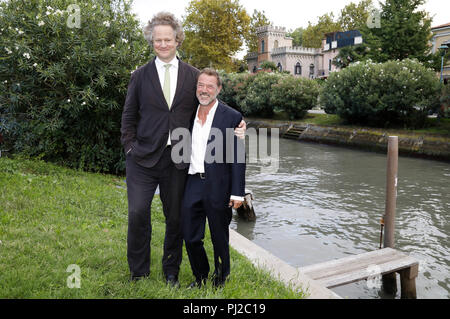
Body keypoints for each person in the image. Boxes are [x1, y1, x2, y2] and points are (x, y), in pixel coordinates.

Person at [120, 12, 245, 285]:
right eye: (157, 40)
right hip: (141, 159)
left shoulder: (193, 76)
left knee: (175, 218)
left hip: (178, 159)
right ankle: (139, 272)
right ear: (152, 41)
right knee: (138, 213)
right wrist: (130, 147)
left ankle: (171, 272)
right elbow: (128, 118)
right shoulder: (139, 76)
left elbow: (210, 104)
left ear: (177, 40)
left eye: (168, 39)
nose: (163, 44)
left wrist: (239, 124)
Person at [181, 68, 246, 289]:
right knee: (190, 236)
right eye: (201, 85)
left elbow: (238, 156)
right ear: (196, 87)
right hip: (192, 181)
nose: (204, 90)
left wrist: (237, 191)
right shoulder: (187, 112)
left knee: (219, 236)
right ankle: (200, 278)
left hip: (219, 185)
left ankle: (220, 280)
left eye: (210, 86)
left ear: (218, 89)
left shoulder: (232, 117)